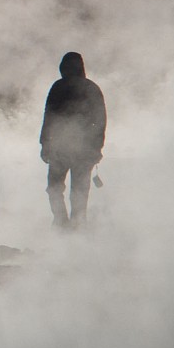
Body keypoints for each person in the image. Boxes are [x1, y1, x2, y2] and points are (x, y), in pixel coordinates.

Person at [38, 51, 106, 228]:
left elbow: (49, 117)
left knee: (54, 187)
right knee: (80, 190)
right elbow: (100, 121)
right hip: (84, 150)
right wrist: (96, 147)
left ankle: (60, 221)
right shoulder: (92, 88)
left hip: (59, 148)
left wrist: (45, 144)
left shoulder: (58, 87)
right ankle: (78, 223)